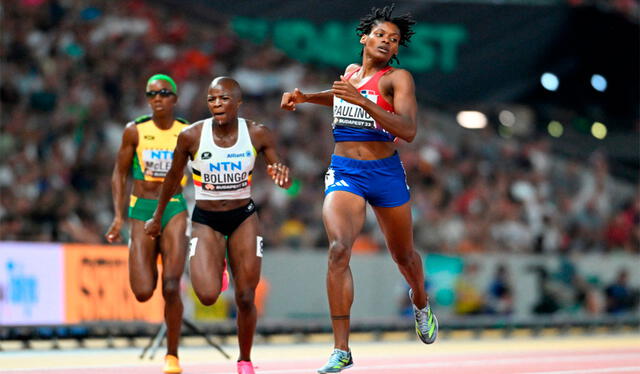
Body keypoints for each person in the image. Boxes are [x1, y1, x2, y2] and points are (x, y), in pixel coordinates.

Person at [280, 5, 437, 373]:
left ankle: (420, 302)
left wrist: (363, 102)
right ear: (364, 38)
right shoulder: (350, 74)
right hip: (345, 171)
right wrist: (305, 97)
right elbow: (339, 96)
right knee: (337, 251)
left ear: (396, 50)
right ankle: (341, 349)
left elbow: (409, 130)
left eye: (393, 40)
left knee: (404, 257)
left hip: (385, 173)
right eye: (381, 35)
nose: (386, 41)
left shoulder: (398, 79)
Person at [145, 77, 291, 374]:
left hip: (243, 217)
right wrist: (157, 217)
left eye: (224, 99)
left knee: (246, 295)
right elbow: (172, 178)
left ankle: (245, 359)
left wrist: (282, 176)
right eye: (212, 99)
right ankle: (220, 265)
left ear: (238, 103)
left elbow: (278, 168)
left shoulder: (257, 133)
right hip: (206, 219)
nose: (217, 104)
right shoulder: (191, 136)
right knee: (208, 295)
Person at [105, 74, 188, 374]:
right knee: (143, 290)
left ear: (175, 99)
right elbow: (119, 174)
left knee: (171, 286)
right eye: (151, 94)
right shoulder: (135, 131)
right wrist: (117, 216)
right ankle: (149, 254)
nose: (157, 98)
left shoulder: (187, 132)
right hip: (140, 209)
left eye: (164, 93)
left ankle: (173, 355)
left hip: (174, 208)